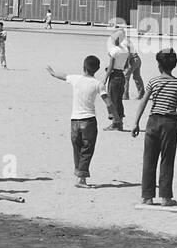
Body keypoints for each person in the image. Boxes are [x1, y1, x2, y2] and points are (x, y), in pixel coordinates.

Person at [130, 47, 177, 206]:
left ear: (159, 65)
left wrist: (136, 122)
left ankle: (147, 197)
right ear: (174, 65)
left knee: (149, 159)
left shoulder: (153, 81)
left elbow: (144, 102)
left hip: (152, 122)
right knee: (167, 159)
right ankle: (165, 197)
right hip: (170, 124)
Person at [47, 55, 105, 186]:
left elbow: (64, 76)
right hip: (89, 121)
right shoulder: (98, 83)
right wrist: (115, 115)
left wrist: (53, 73)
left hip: (74, 121)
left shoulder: (76, 79)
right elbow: (107, 101)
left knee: (77, 148)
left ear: (83, 66)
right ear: (97, 69)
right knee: (87, 149)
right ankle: (81, 178)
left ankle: (78, 173)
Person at [104, 27, 129, 130]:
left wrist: (105, 78)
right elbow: (126, 65)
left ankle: (115, 122)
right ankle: (120, 122)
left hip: (114, 77)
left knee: (113, 100)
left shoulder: (114, 51)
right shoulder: (125, 50)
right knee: (118, 100)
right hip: (121, 76)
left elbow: (110, 67)